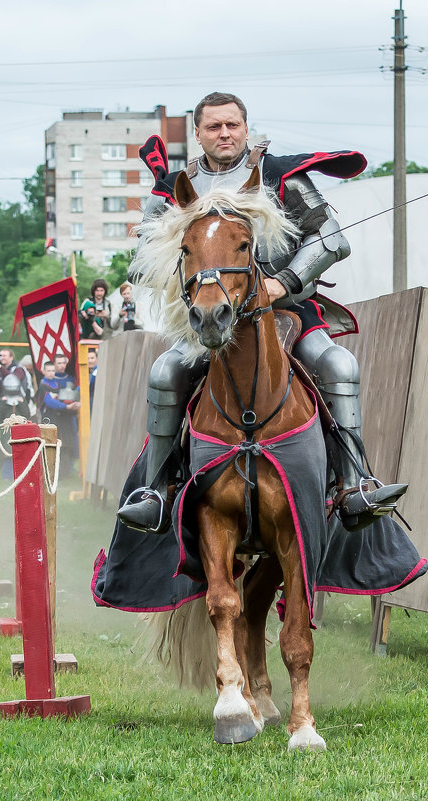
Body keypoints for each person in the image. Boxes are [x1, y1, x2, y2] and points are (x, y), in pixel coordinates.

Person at [117, 90, 405, 533]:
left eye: (232, 124)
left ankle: (353, 485)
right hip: (209, 316)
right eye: (213, 126)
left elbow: (331, 238)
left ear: (246, 128)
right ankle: (159, 491)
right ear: (198, 134)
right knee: (165, 373)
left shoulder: (277, 175)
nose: (224, 133)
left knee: (338, 363)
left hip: (286, 310)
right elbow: (146, 257)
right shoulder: (175, 189)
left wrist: (282, 282)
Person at [35, 353, 81, 464]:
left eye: (52, 371)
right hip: (48, 419)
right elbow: (50, 402)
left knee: (64, 444)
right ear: (44, 371)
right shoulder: (43, 385)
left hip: (61, 419)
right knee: (50, 444)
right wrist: (67, 406)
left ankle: (64, 472)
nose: (51, 373)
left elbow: (62, 398)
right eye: (48, 371)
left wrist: (73, 404)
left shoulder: (57, 384)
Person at [0, 348, 31, 421]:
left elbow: (13, 379)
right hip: (4, 401)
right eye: (0, 355)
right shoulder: (0, 371)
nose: (1, 358)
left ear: (11, 357)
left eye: (4, 356)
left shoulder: (18, 369)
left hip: (18, 402)